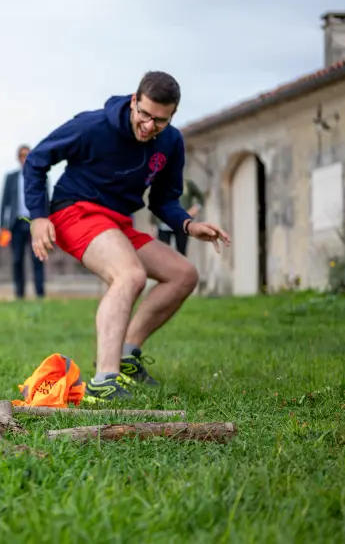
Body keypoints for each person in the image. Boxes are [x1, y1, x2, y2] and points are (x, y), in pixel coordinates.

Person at [23, 71, 230, 403]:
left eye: (159, 120)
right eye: (144, 114)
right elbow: (36, 160)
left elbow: (163, 200)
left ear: (172, 115)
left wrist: (189, 225)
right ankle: (104, 380)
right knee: (130, 275)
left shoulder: (171, 142)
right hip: (75, 211)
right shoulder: (92, 126)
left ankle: (126, 354)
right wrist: (38, 216)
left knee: (183, 275)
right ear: (134, 101)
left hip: (118, 222)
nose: (149, 126)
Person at [0, 144, 46, 299]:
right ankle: (19, 294)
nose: (25, 159)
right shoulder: (11, 178)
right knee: (17, 259)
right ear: (18, 158)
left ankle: (40, 294)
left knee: (37, 259)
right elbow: (4, 203)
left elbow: (46, 202)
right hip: (16, 224)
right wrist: (2, 227)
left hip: (34, 224)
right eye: (22, 156)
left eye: (28, 155)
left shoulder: (40, 177)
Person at [156, 177, 204, 256]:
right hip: (164, 225)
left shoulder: (187, 183)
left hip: (182, 224)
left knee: (181, 254)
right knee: (164, 255)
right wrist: (153, 223)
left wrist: (196, 208)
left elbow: (201, 198)